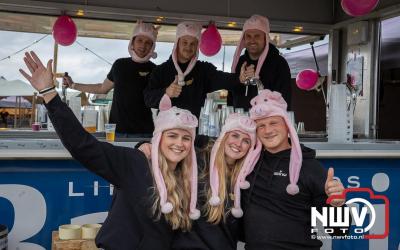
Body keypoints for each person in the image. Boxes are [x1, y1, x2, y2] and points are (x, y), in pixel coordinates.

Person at [19, 51, 202, 250]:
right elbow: (82, 145)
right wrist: (49, 93)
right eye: (172, 136)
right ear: (158, 138)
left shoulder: (189, 178)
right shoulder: (135, 162)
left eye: (186, 138)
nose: (179, 143)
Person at [242, 89, 345, 250]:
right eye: (261, 125)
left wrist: (337, 205)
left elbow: (340, 232)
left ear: (287, 125)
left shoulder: (310, 167)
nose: (267, 131)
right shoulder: (248, 164)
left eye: (273, 123)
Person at [172, 113, 261, 250]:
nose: (238, 144)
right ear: (224, 135)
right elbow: (169, 152)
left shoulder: (246, 178)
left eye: (246, 141)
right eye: (235, 135)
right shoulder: (197, 159)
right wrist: (145, 145)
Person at [63, 20, 159, 137]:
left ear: (152, 46)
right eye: (139, 40)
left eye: (148, 42)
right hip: (117, 131)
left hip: (145, 133)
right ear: (132, 42)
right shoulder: (120, 65)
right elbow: (102, 89)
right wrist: (73, 85)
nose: (143, 46)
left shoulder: (156, 70)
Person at [144, 21, 245, 119]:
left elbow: (223, 79)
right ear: (177, 43)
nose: (188, 47)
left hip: (194, 131)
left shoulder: (203, 70)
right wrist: (166, 92)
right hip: (169, 132)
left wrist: (239, 78)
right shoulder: (161, 71)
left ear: (197, 46)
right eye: (185, 42)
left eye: (193, 43)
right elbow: (148, 99)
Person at [227, 15, 292, 111]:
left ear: (265, 38)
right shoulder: (240, 62)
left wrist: (257, 81)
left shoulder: (279, 63)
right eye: (248, 36)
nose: (252, 40)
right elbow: (231, 95)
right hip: (240, 122)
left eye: (257, 36)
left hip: (266, 123)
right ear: (243, 39)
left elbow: (284, 100)